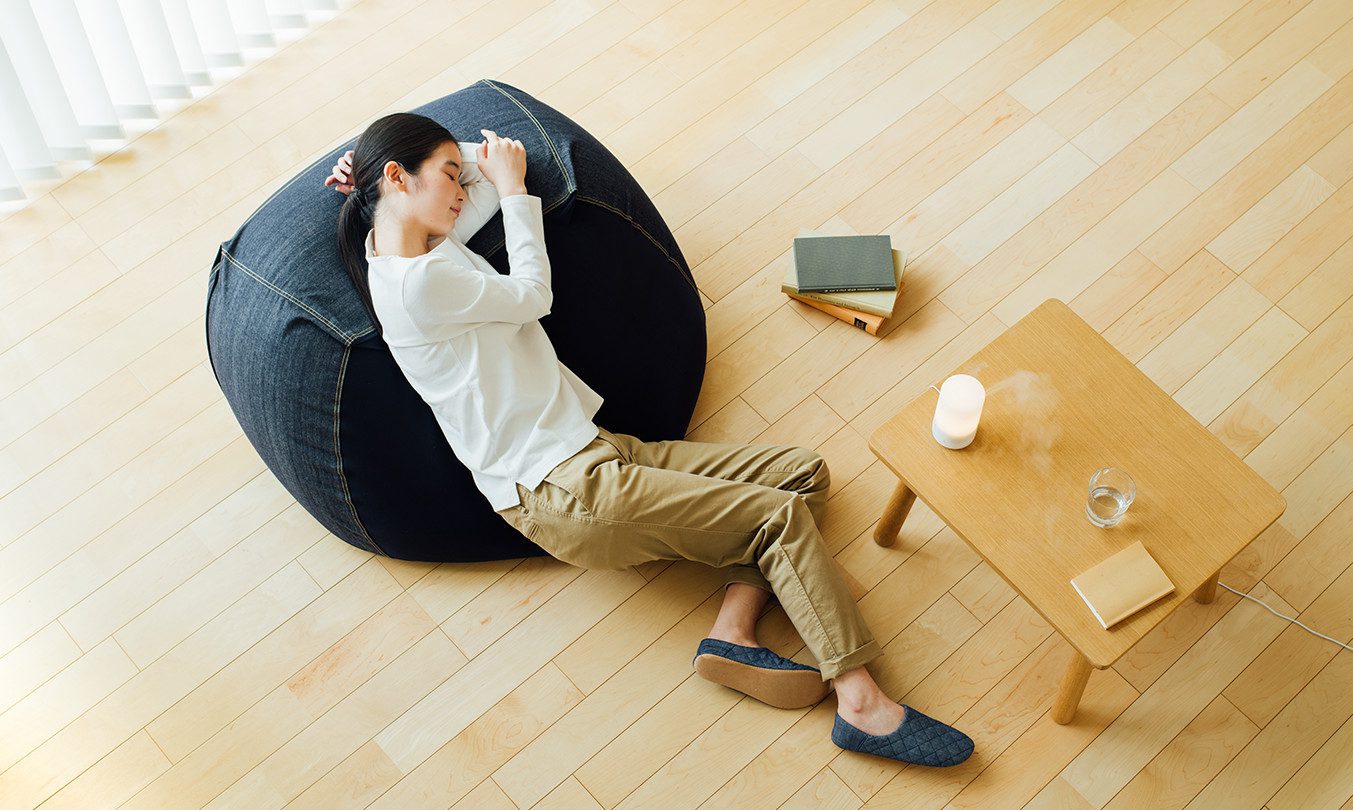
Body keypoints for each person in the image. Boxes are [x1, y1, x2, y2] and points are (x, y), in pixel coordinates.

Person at [327, 112, 973, 767]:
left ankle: (733, 633)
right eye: (448, 177)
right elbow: (532, 292)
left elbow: (482, 170)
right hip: (562, 488)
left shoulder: (400, 249)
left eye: (460, 177)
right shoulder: (424, 280)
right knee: (778, 519)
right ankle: (860, 701)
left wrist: (374, 180)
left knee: (799, 475)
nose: (464, 188)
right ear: (398, 179)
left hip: (598, 451)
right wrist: (512, 192)